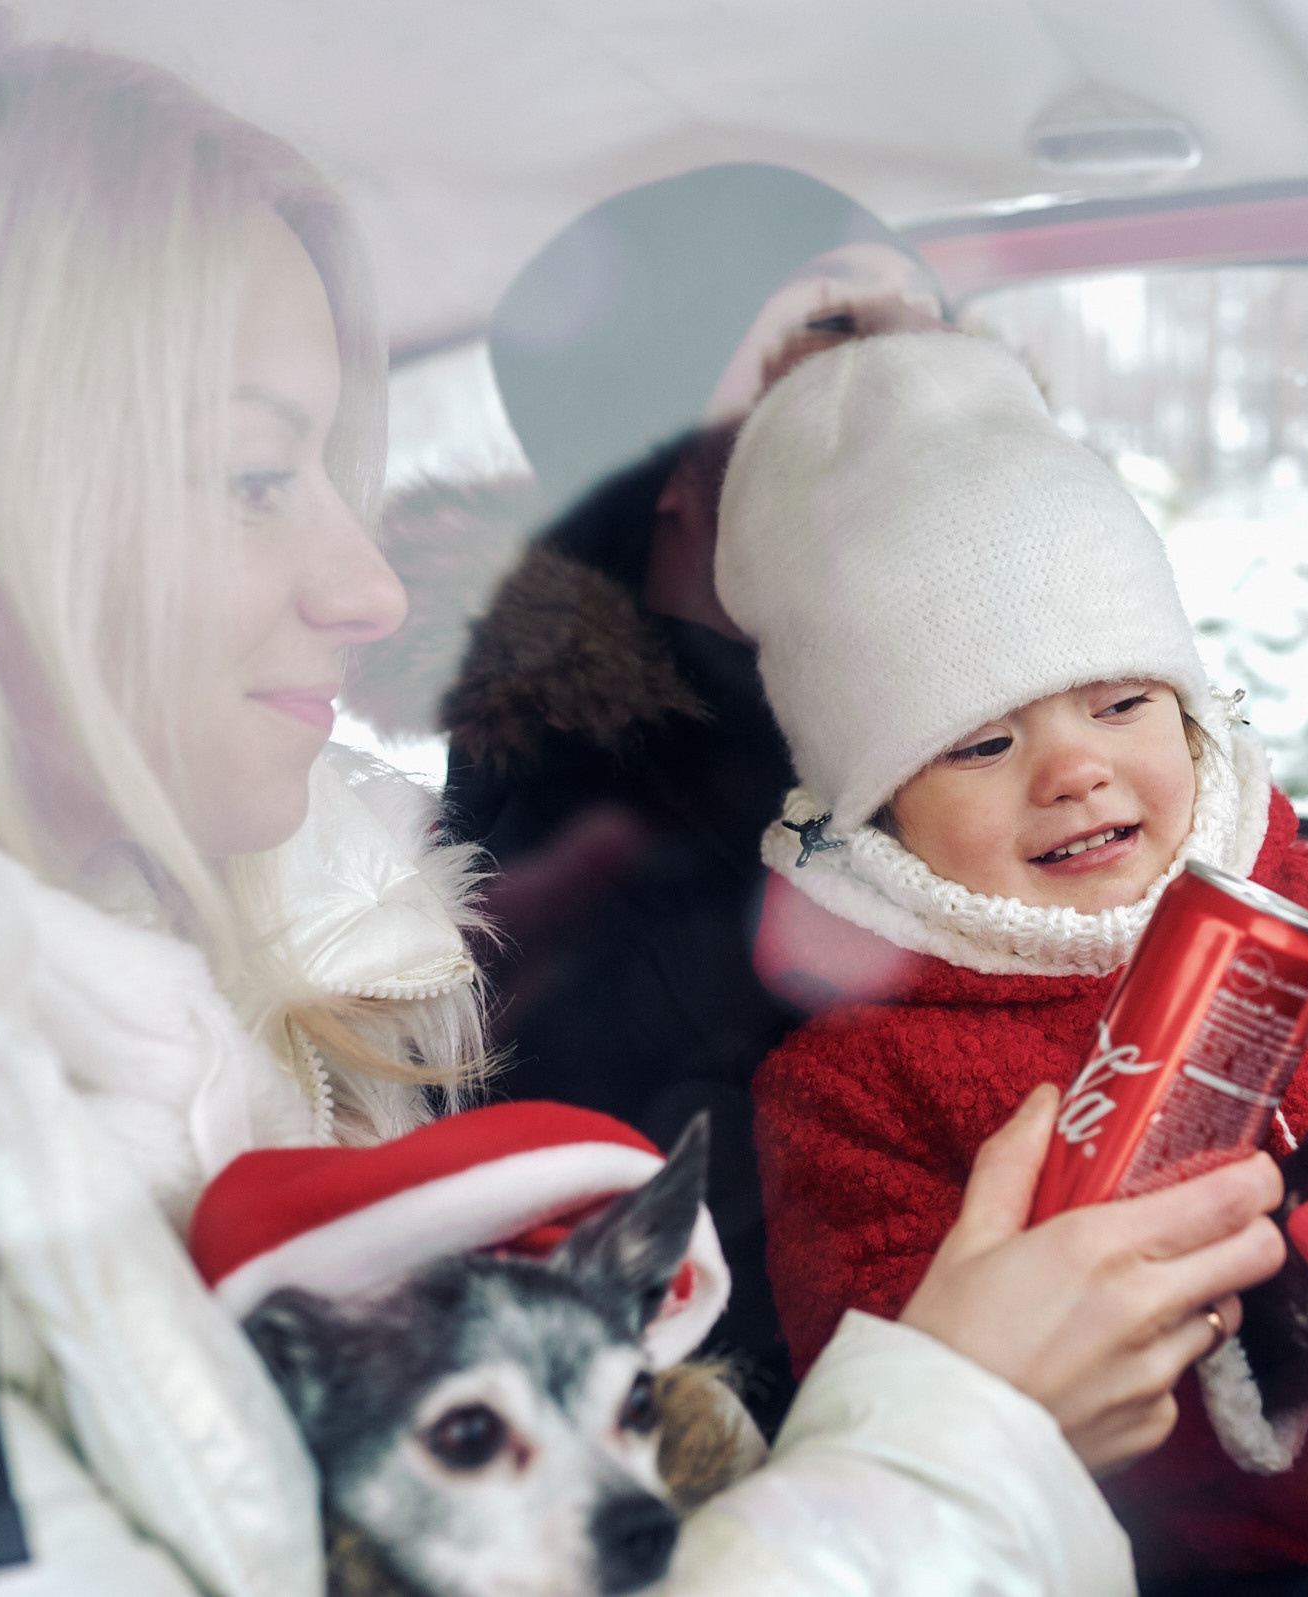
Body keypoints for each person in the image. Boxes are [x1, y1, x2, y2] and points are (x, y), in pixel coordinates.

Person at [0, 10, 1304, 1594]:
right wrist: (968, 1430)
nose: (367, 588)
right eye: (249, 477)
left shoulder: (330, 974)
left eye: (948, 344)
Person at [719, 328, 1308, 1592]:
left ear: (1187, 709)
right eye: (980, 744)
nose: (1075, 769)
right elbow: (922, 1422)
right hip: (1305, 1573)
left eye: (1120, 702)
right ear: (876, 805)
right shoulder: (853, 1087)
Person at [352, 165, 949, 1428]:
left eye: (934, 327)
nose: (929, 382)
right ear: (660, 454)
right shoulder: (599, 857)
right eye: (834, 330)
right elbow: (719, 1376)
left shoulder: (929, 730)